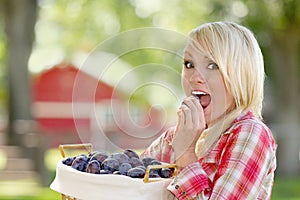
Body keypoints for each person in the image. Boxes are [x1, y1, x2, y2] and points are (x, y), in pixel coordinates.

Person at [141, 21, 277, 199]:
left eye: (213, 65)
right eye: (189, 64)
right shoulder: (174, 137)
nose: (194, 77)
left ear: (241, 75)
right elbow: (128, 180)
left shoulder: (251, 133)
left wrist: (186, 153)